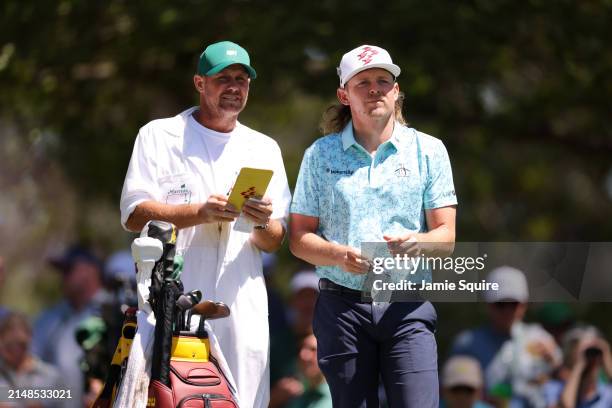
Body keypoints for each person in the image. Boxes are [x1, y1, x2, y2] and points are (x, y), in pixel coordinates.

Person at [119, 40, 291, 407]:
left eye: (242, 79)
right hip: (171, 300)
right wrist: (200, 212)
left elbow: (274, 239)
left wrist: (261, 222)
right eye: (223, 78)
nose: (234, 87)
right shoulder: (159, 135)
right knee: (172, 398)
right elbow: (133, 215)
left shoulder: (264, 148)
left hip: (240, 304)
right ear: (200, 83)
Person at [290, 44, 458, 407]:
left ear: (396, 91)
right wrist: (337, 255)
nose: (374, 89)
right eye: (362, 82)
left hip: (406, 305)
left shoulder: (429, 150)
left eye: (383, 80)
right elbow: (299, 238)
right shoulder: (319, 155)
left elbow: (446, 238)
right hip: (342, 308)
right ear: (344, 95)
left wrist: (417, 242)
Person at [451, 266, 561, 406]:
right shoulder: (467, 343)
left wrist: (554, 362)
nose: (507, 311)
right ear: (488, 304)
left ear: (524, 305)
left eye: (513, 304)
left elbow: (562, 379)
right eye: (501, 304)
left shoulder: (540, 338)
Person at [32, 245, 104, 408]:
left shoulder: (114, 313)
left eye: (68, 269)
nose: (63, 277)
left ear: (89, 271)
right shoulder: (48, 318)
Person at [270, 270, 320, 407]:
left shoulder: (338, 342)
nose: (308, 303)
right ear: (292, 301)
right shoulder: (275, 345)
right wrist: (275, 397)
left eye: (314, 296)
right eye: (303, 296)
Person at [0, 312, 66, 408]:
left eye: (19, 343)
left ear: (30, 339)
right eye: (8, 344)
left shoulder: (51, 377)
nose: (14, 350)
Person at [544, 326, 612, 408]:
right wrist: (579, 366)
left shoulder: (607, 394)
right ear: (570, 357)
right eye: (585, 352)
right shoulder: (554, 388)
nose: (590, 357)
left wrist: (607, 359)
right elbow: (566, 405)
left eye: (594, 352)